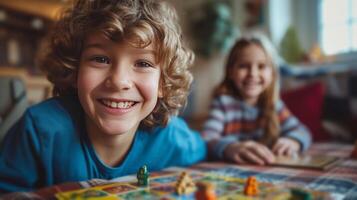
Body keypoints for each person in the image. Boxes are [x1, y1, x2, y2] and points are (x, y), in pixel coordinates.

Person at [0, 0, 206, 193]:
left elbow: (207, 149)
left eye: (143, 63)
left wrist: (227, 147)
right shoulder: (39, 129)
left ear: (163, 82)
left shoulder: (171, 136)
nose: (119, 81)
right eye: (100, 59)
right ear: (74, 69)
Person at [201, 36, 311, 165]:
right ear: (231, 71)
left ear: (272, 74)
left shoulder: (274, 105)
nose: (253, 73)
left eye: (261, 66)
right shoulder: (223, 104)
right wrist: (230, 148)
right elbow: (206, 139)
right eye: (243, 66)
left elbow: (302, 131)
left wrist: (293, 141)